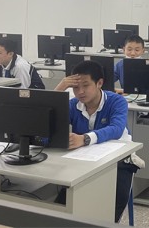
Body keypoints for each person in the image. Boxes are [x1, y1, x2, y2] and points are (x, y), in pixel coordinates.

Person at [55, 60, 143, 222]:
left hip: (120, 159)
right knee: (62, 202)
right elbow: (47, 122)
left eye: (85, 85)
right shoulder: (74, 105)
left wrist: (85, 138)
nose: (80, 92)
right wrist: (59, 90)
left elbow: (116, 129)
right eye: (75, 87)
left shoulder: (116, 101)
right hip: (84, 158)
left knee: (113, 203)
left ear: (99, 83)